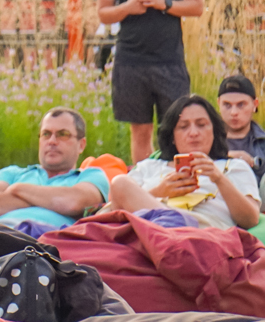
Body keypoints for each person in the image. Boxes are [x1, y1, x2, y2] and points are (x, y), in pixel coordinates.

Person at [96, 0, 206, 164]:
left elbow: (197, 6)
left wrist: (163, 3)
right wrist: (127, 7)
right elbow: (103, 13)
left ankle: (180, 183)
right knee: (140, 132)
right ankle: (145, 185)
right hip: (130, 61)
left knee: (178, 129)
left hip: (169, 60)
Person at [108, 95, 261, 230]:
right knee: (120, 183)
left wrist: (219, 179)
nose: (193, 133)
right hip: (153, 230)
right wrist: (158, 192)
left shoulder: (233, 167)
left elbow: (251, 219)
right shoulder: (149, 167)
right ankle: (169, 227)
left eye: (201, 125)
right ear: (172, 137)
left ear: (214, 131)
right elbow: (113, 206)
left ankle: (174, 230)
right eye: (183, 127)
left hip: (203, 232)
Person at [0, 108, 111, 235]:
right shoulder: (12, 173)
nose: (52, 141)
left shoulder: (92, 175)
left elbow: (73, 202)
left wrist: (18, 189)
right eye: (46, 134)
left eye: (62, 134)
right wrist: (53, 201)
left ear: (81, 145)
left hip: (45, 239)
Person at [219, 74, 265, 182]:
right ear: (218, 104)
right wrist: (224, 158)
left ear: (255, 104)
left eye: (241, 105)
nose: (233, 112)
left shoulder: (263, 142)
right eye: (227, 105)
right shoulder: (205, 139)